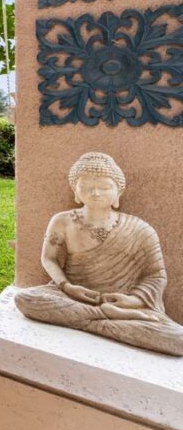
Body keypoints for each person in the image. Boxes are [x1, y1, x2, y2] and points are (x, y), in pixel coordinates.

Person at [14, 152, 183, 356]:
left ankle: (96, 319)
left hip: (123, 305)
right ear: (75, 192)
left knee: (178, 339)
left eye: (104, 187)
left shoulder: (140, 229)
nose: (95, 193)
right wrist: (67, 287)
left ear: (119, 192)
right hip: (72, 296)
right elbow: (48, 258)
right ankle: (106, 318)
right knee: (26, 299)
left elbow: (156, 275)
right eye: (86, 187)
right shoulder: (62, 221)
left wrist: (134, 301)